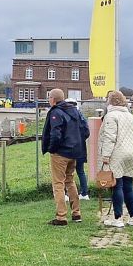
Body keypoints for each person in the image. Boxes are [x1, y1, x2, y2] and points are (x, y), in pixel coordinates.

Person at [41, 88, 90, 226]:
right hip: (74, 152)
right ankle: (76, 213)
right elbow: (86, 130)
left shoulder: (55, 112)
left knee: (58, 183)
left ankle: (61, 217)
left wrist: (52, 149)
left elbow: (55, 134)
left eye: (49, 97)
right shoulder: (75, 110)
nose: (49, 100)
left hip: (60, 153)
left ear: (53, 99)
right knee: (70, 181)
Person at [99, 90, 133, 228]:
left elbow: (109, 138)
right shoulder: (131, 116)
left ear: (110, 102)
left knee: (117, 186)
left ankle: (117, 218)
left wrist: (105, 156)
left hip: (118, 154)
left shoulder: (111, 116)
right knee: (129, 186)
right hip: (132, 154)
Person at [65, 97, 90, 200]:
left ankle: (65, 194)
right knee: (80, 171)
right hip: (80, 148)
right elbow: (87, 132)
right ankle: (84, 193)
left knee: (66, 172)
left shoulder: (64, 116)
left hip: (68, 148)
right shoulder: (81, 117)